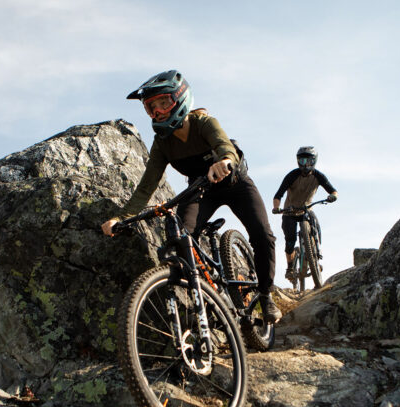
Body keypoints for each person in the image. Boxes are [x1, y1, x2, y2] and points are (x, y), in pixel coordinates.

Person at [101, 70, 281, 323]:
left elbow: (224, 146)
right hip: (200, 190)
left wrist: (225, 161)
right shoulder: (162, 143)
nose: (158, 112)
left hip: (234, 183)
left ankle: (265, 295)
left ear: (180, 99)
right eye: (151, 108)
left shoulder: (203, 123)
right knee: (180, 240)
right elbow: (146, 187)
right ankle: (209, 296)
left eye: (164, 103)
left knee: (263, 236)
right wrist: (121, 217)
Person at [271, 146, 338, 283]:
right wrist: (276, 208)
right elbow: (278, 195)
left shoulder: (318, 176)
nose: (305, 164)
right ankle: (290, 268)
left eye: (308, 160)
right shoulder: (292, 175)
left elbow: (333, 190)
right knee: (290, 242)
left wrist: (332, 196)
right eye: (302, 161)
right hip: (289, 211)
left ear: (314, 161)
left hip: (307, 209)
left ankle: (315, 256)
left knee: (314, 227)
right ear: (297, 162)